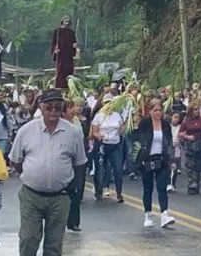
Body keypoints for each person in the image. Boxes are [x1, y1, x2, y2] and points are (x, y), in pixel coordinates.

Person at [8, 89, 88, 256]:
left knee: (54, 245)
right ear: (41, 107)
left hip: (60, 197)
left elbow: (79, 163)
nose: (53, 111)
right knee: (28, 239)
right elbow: (15, 161)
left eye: (57, 107)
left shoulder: (72, 133)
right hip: (31, 196)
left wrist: (71, 185)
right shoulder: (26, 130)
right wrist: (33, 175)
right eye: (49, 107)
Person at [135, 99, 176, 228]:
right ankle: (148, 214)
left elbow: (169, 142)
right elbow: (140, 140)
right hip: (147, 159)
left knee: (162, 187)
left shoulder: (165, 125)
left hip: (161, 158)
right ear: (151, 111)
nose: (158, 113)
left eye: (160, 110)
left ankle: (164, 214)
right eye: (155, 110)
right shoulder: (145, 124)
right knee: (148, 188)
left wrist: (171, 160)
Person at [91, 93, 126, 202]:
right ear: (102, 103)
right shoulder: (99, 115)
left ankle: (119, 193)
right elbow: (94, 130)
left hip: (115, 145)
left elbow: (121, 131)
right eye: (106, 102)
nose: (108, 104)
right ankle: (98, 192)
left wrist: (125, 124)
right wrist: (98, 136)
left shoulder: (116, 115)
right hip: (102, 145)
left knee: (117, 169)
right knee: (100, 169)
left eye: (110, 102)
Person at [64, 98, 89, 232]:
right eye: (70, 107)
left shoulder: (76, 121)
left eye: (73, 107)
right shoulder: (60, 123)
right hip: (64, 159)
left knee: (75, 191)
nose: (73, 109)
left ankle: (74, 222)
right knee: (64, 191)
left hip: (78, 158)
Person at [50, 16, 79, 89]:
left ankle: (68, 84)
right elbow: (54, 42)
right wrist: (55, 49)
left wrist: (74, 50)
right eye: (65, 21)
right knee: (60, 69)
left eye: (68, 22)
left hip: (68, 54)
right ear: (62, 22)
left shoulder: (71, 32)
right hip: (61, 54)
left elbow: (74, 43)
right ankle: (59, 85)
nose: (67, 23)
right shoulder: (57, 31)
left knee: (69, 69)